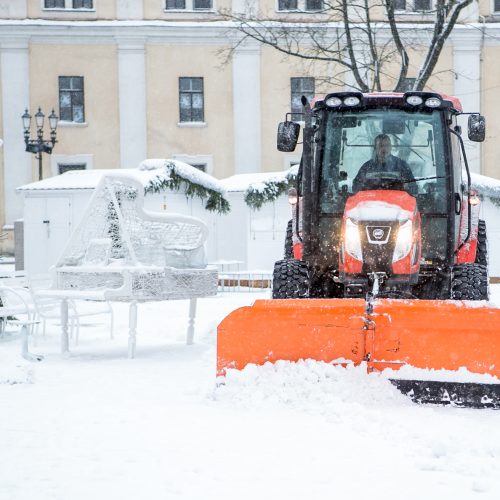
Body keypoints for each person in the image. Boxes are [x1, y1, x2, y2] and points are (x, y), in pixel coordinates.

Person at [352, 134, 417, 195]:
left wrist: (406, 187)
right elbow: (356, 187)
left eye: (387, 145)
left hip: (397, 203)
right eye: (381, 145)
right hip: (371, 203)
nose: (384, 148)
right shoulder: (367, 167)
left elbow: (413, 187)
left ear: (391, 147)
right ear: (375, 148)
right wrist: (364, 187)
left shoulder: (402, 165)